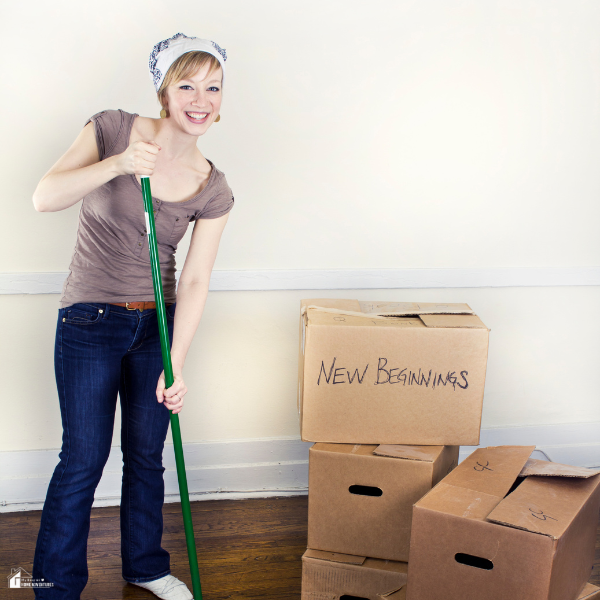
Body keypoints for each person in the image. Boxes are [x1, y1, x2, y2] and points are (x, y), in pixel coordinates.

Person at [31, 33, 233, 600]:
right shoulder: (112, 129)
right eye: (187, 85)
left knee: (147, 455)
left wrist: (177, 362)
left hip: (158, 329)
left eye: (213, 88)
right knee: (84, 458)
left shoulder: (212, 186)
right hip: (90, 320)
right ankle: (54, 586)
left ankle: (145, 566)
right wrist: (119, 164)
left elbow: (194, 279)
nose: (201, 99)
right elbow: (45, 196)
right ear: (164, 91)